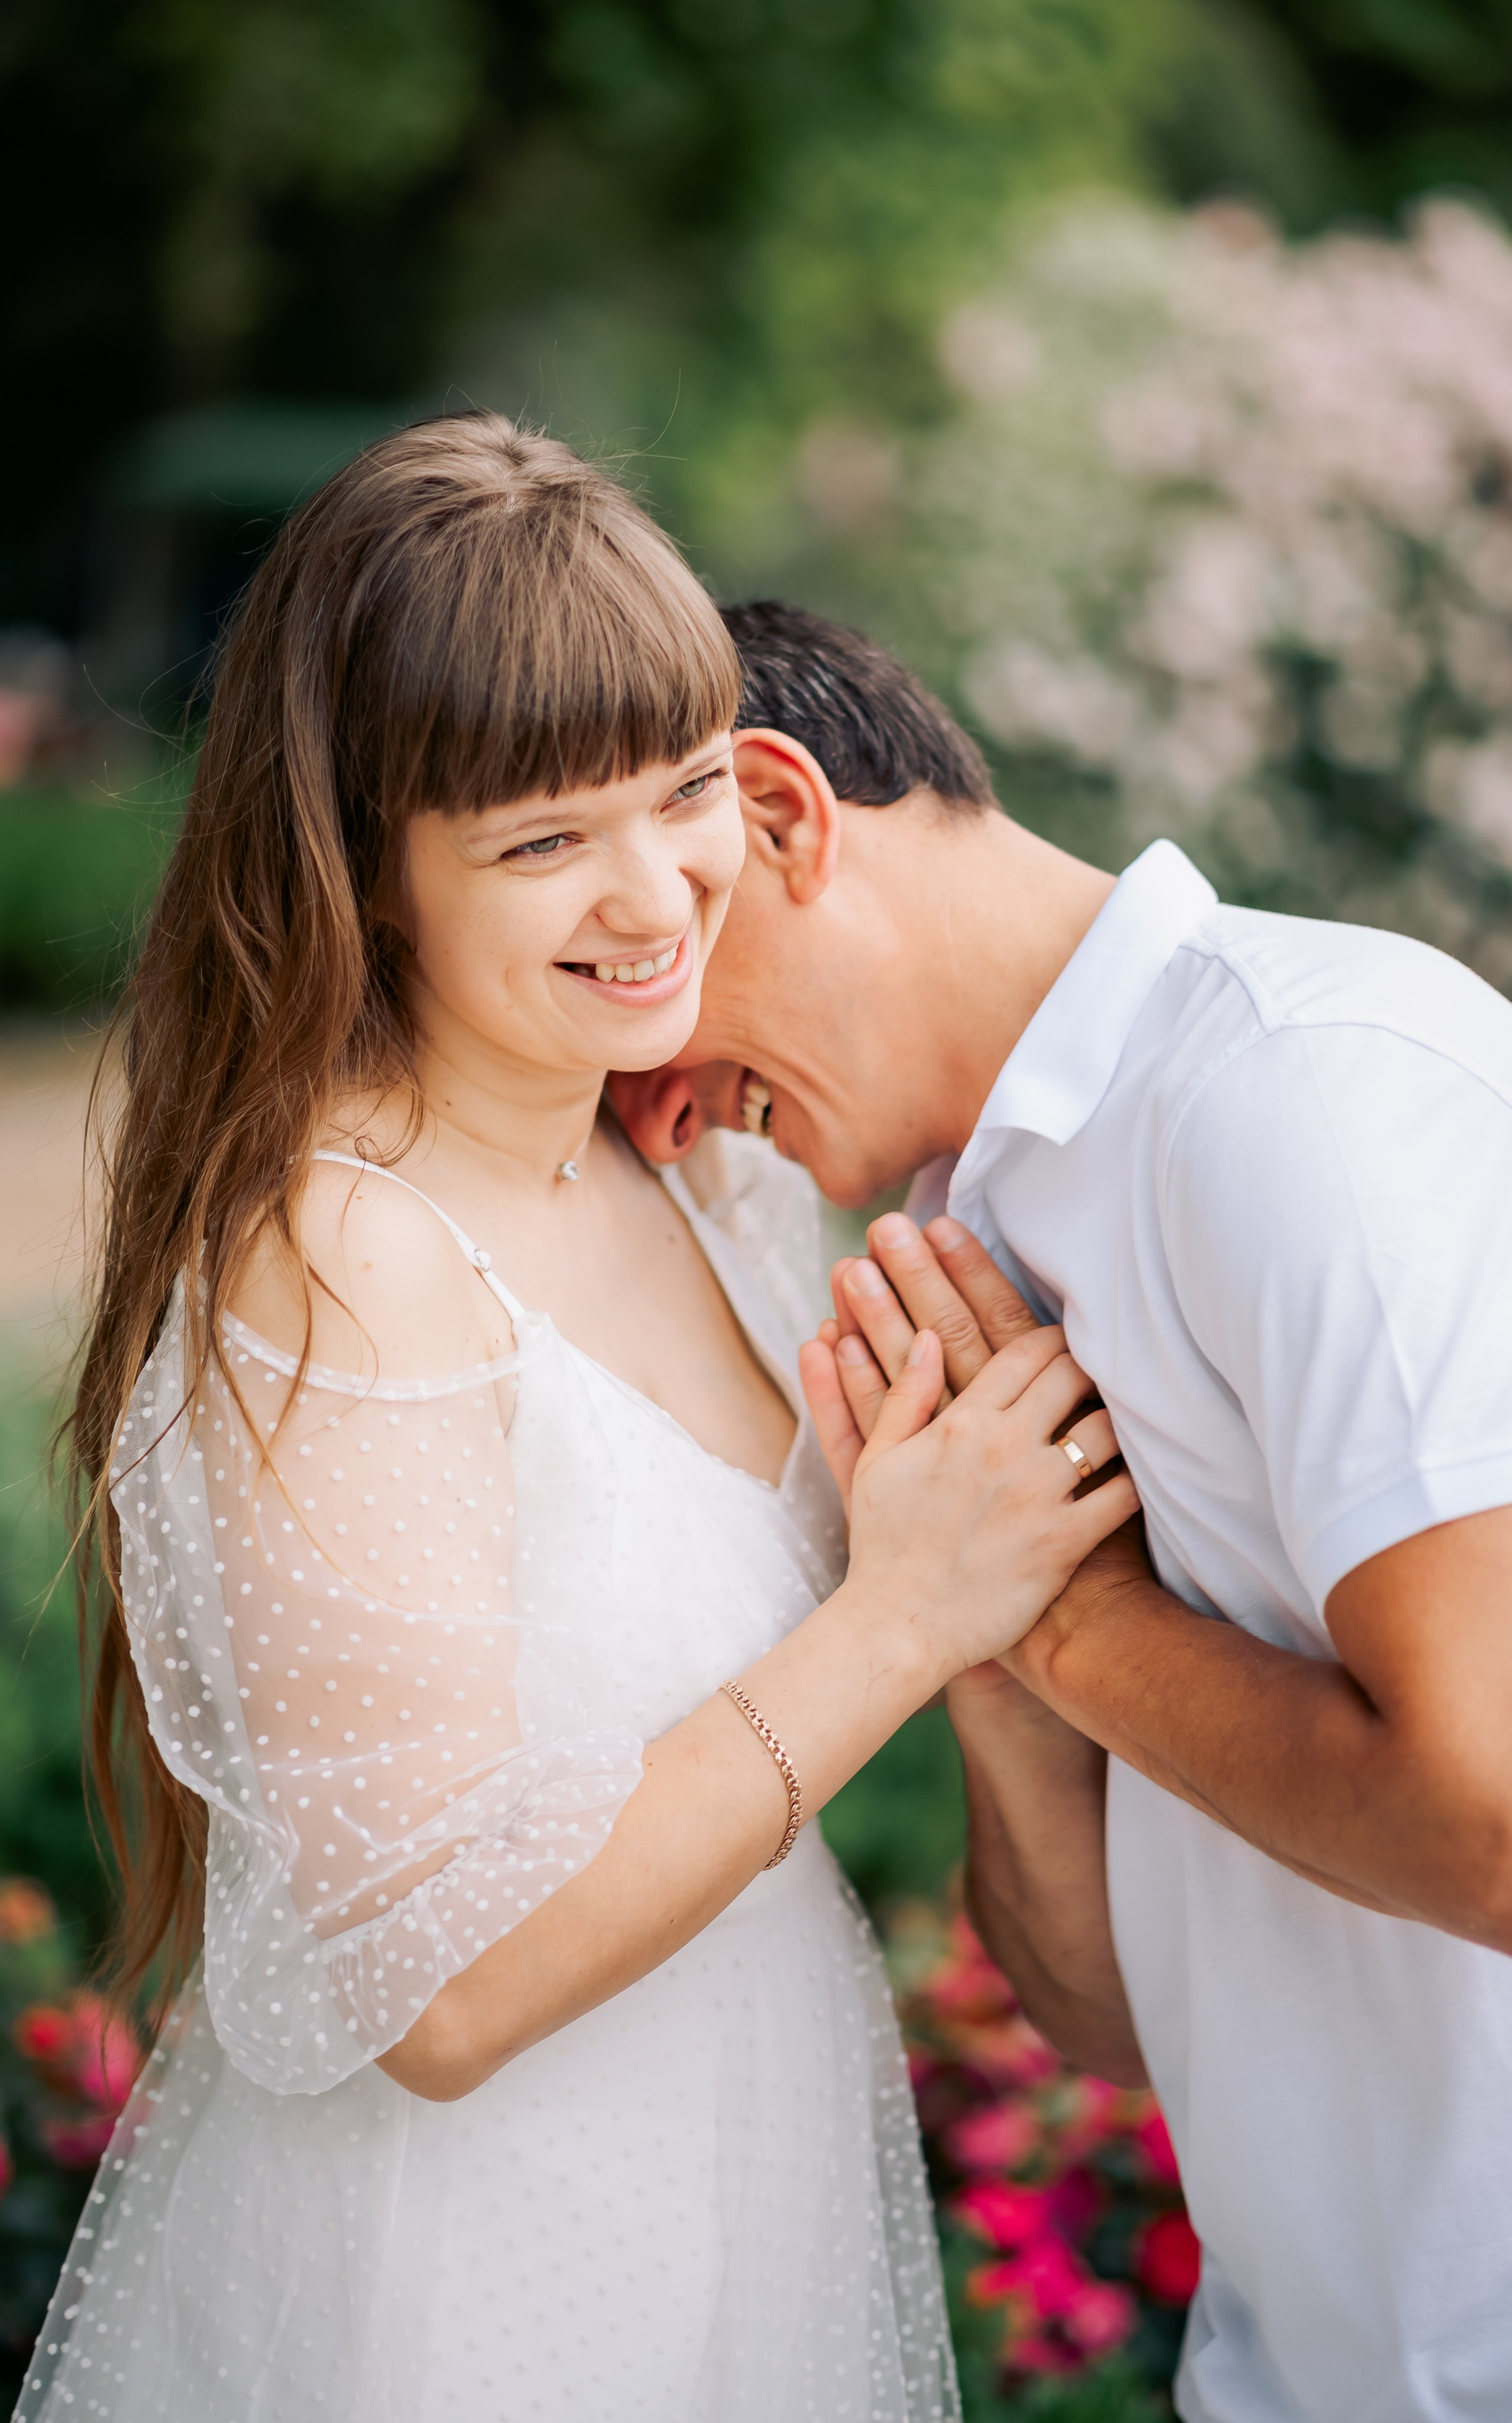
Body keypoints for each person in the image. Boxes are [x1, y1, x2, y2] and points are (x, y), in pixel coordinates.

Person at [18, 431, 1139, 2423]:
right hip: (472, 2280)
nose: (653, 895)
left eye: (685, 790)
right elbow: (431, 1992)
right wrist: (906, 1611)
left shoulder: (713, 1178)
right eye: (543, 842)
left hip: (742, 2191)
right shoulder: (342, 1250)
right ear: (370, 863)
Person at [612, 599, 1512, 2423]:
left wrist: (1065, 1614)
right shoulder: (985, 1238)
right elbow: (1107, 2014)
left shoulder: (1310, 1094)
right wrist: (980, 1643)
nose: (660, 1118)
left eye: (642, 1001)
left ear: (776, 815)